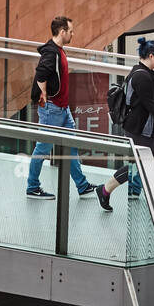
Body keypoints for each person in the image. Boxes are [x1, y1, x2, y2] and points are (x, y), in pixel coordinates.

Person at [25, 16, 98, 199]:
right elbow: (41, 74)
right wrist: (44, 94)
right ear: (62, 31)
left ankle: (82, 186)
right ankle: (32, 187)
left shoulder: (58, 50)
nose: (73, 34)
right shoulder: (52, 52)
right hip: (53, 110)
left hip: (62, 110)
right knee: (42, 148)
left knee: (71, 146)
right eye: (70, 31)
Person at [96, 37, 154, 211]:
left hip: (149, 128)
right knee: (137, 166)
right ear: (151, 56)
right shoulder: (142, 76)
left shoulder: (143, 71)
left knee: (151, 164)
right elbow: (150, 104)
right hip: (141, 129)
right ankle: (105, 189)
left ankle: (135, 192)